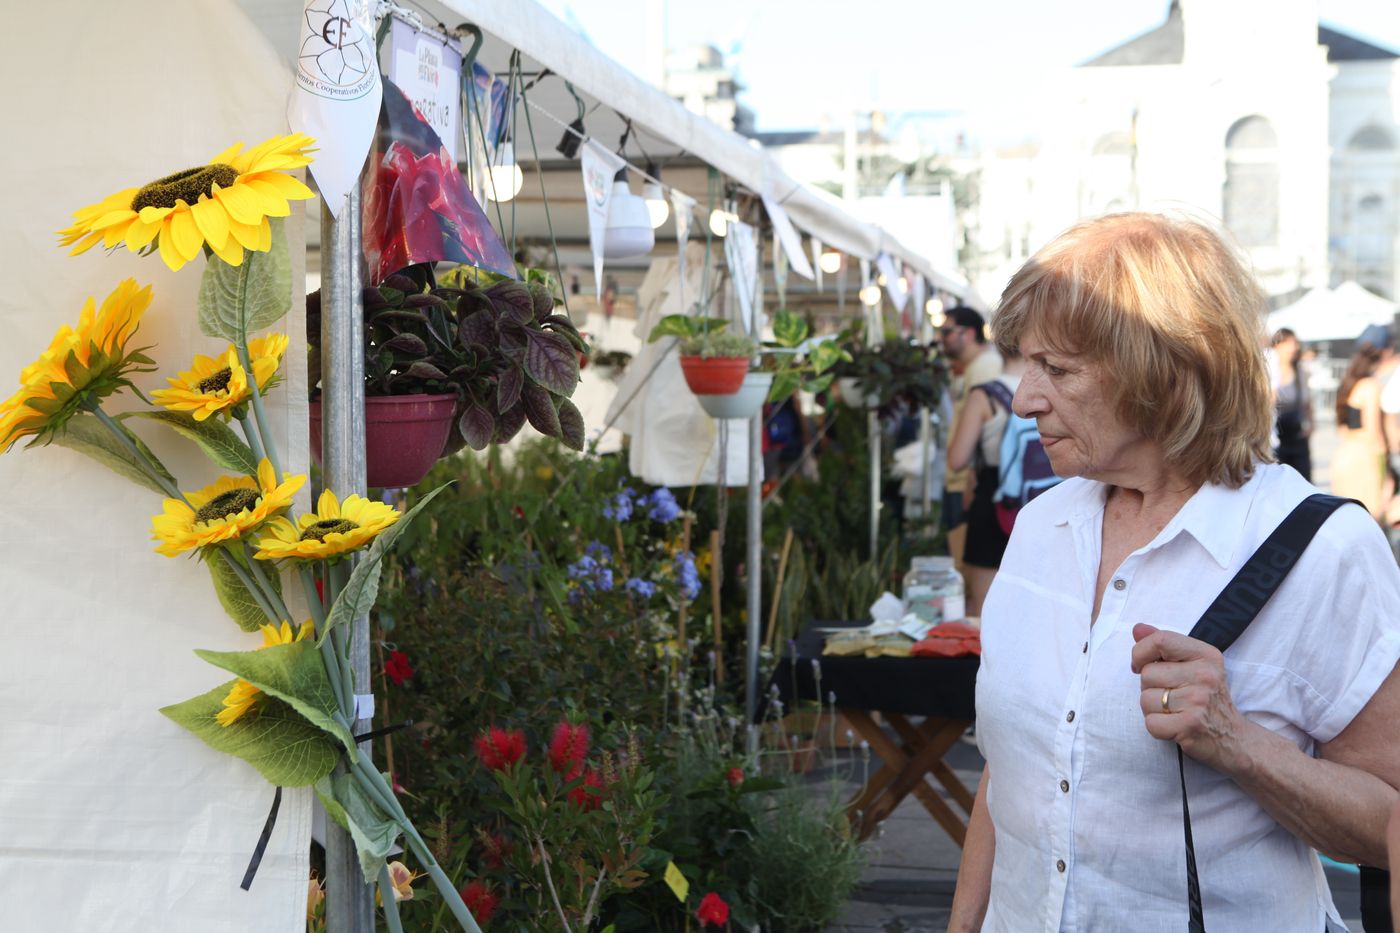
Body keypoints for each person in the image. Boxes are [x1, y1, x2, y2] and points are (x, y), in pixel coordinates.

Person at [948, 213, 1400, 933]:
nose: (1027, 398)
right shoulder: (1041, 525)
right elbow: (1014, 776)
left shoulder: (1321, 546)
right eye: (1027, 364)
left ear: (1165, 371)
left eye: (1057, 369)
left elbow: (1389, 822)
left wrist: (1236, 741)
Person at [945, 350, 1027, 616]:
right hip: (1046, 499)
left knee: (985, 610)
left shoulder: (985, 395)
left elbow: (957, 459)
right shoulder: (1049, 390)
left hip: (996, 501)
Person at [939, 306, 1003, 565]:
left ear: (968, 333)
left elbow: (985, 432)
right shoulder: (978, 366)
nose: (941, 338)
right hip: (967, 480)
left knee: (968, 567)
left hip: (970, 483)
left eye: (946, 331)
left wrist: (970, 483)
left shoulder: (985, 367)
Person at [1330, 331, 1390, 520]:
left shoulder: (1349, 384)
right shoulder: (1371, 386)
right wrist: (1386, 461)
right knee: (1372, 520)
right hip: (1365, 460)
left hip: (1344, 456)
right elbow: (1373, 429)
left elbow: (1343, 428)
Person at [1271, 328, 1312, 479]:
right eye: (1287, 343)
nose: (1293, 348)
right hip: (1276, 434)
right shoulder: (1269, 372)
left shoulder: (1300, 371)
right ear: (1277, 346)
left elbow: (1307, 401)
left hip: (1297, 433)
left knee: (1303, 478)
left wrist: (1310, 423)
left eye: (1294, 343)